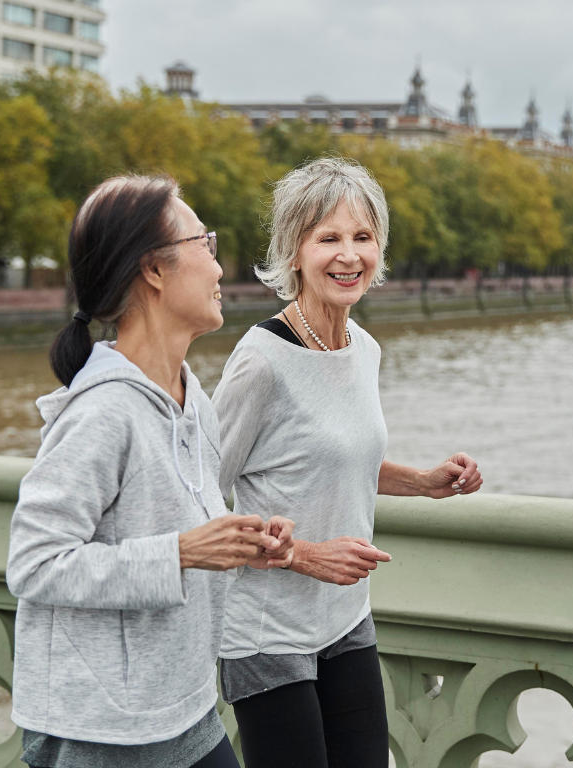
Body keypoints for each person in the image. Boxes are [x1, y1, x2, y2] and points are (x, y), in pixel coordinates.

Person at [6, 175, 294, 768]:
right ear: (155, 270)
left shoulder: (196, 403)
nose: (218, 266)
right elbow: (34, 564)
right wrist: (181, 553)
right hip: (101, 732)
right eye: (204, 244)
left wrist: (243, 546)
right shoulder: (102, 412)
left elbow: (181, 537)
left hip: (185, 709)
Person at [213, 157, 484, 768]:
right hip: (268, 632)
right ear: (294, 252)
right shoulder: (261, 361)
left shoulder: (365, 349)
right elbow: (197, 496)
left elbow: (333, 460)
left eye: (362, 236)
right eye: (328, 238)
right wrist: (304, 555)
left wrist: (427, 482)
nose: (348, 255)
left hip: (346, 619)